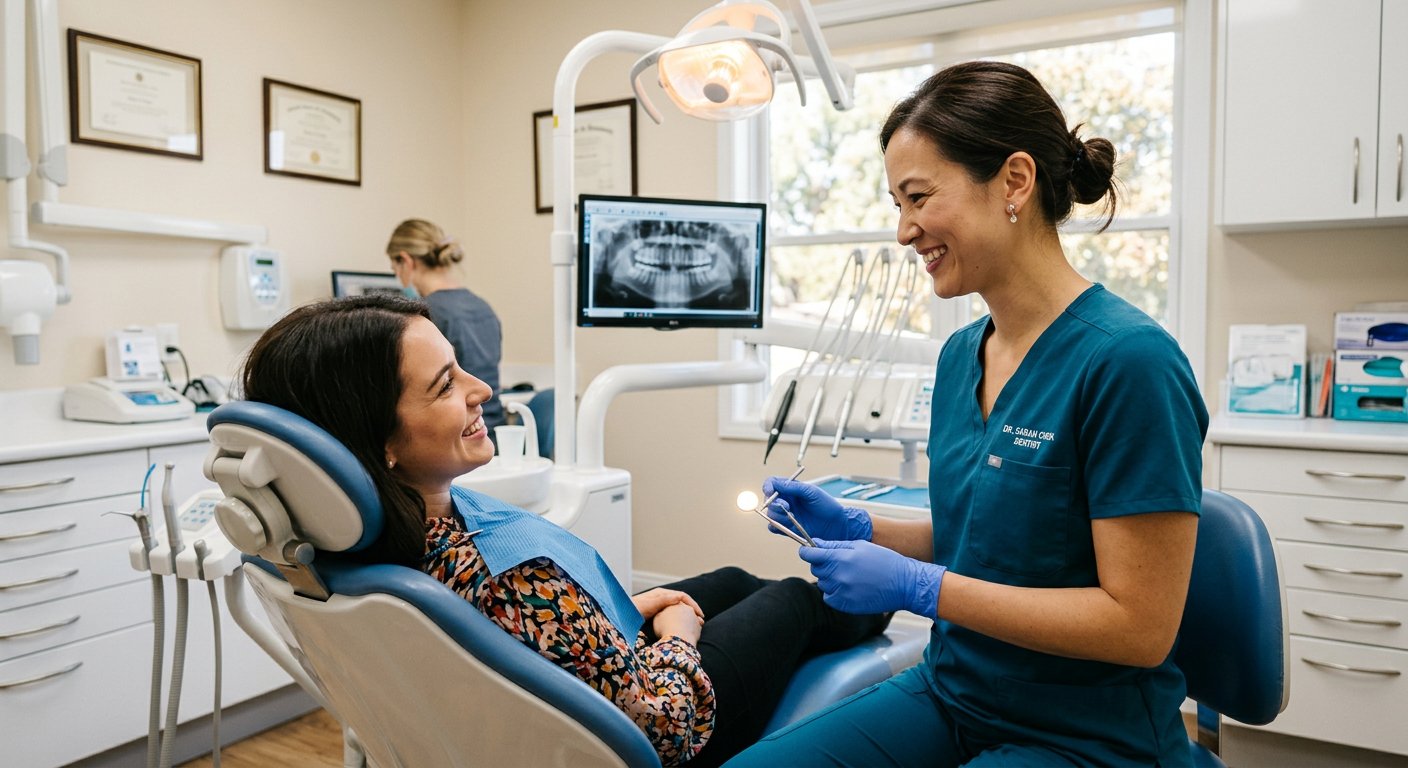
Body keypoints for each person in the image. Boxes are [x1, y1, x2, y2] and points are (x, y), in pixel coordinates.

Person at [728, 61, 1209, 767]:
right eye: (897, 204)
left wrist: (923, 590)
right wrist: (870, 529)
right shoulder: (960, 358)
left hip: (1090, 736)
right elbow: (990, 535)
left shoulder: (1130, 364)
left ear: (1015, 181)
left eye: (918, 197)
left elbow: (1139, 627)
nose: (903, 231)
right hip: (954, 693)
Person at [237, 294, 891, 767]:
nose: (481, 390)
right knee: (793, 600)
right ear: (379, 442)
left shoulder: (355, 552)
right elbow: (660, 729)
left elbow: (516, 646)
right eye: (444, 386)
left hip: (572, 679)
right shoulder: (506, 578)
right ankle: (895, 607)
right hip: (653, 729)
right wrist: (678, 640)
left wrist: (612, 617)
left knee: (730, 580)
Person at [386, 218, 506, 432]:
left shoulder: (424, 317)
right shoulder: (482, 307)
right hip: (492, 432)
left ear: (406, 261)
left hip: (459, 434)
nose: (398, 277)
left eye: (396, 269)